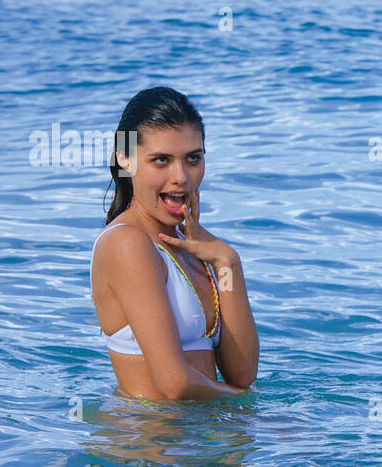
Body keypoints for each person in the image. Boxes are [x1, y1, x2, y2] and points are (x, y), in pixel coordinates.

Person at [89, 87, 258, 400]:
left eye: (193, 158)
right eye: (161, 160)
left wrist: (227, 261)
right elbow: (175, 384)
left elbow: (243, 374)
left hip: (202, 438)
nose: (181, 176)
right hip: (152, 443)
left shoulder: (191, 246)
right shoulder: (127, 244)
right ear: (125, 159)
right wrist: (256, 415)